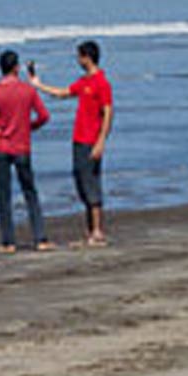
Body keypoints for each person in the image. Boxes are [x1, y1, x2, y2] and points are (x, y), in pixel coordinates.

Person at [30, 40, 114, 247]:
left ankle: (97, 231)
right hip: (79, 138)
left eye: (79, 56)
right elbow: (63, 93)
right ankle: (90, 231)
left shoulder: (101, 82)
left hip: (91, 139)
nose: (77, 60)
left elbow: (108, 112)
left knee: (91, 183)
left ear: (87, 57)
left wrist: (101, 141)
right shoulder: (83, 81)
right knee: (81, 181)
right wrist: (38, 84)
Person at [0, 48, 52, 254]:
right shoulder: (27, 90)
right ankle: (40, 238)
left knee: (4, 195)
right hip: (22, 146)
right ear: (16, 68)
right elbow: (44, 116)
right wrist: (28, 127)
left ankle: (8, 241)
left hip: (2, 146)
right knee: (30, 192)